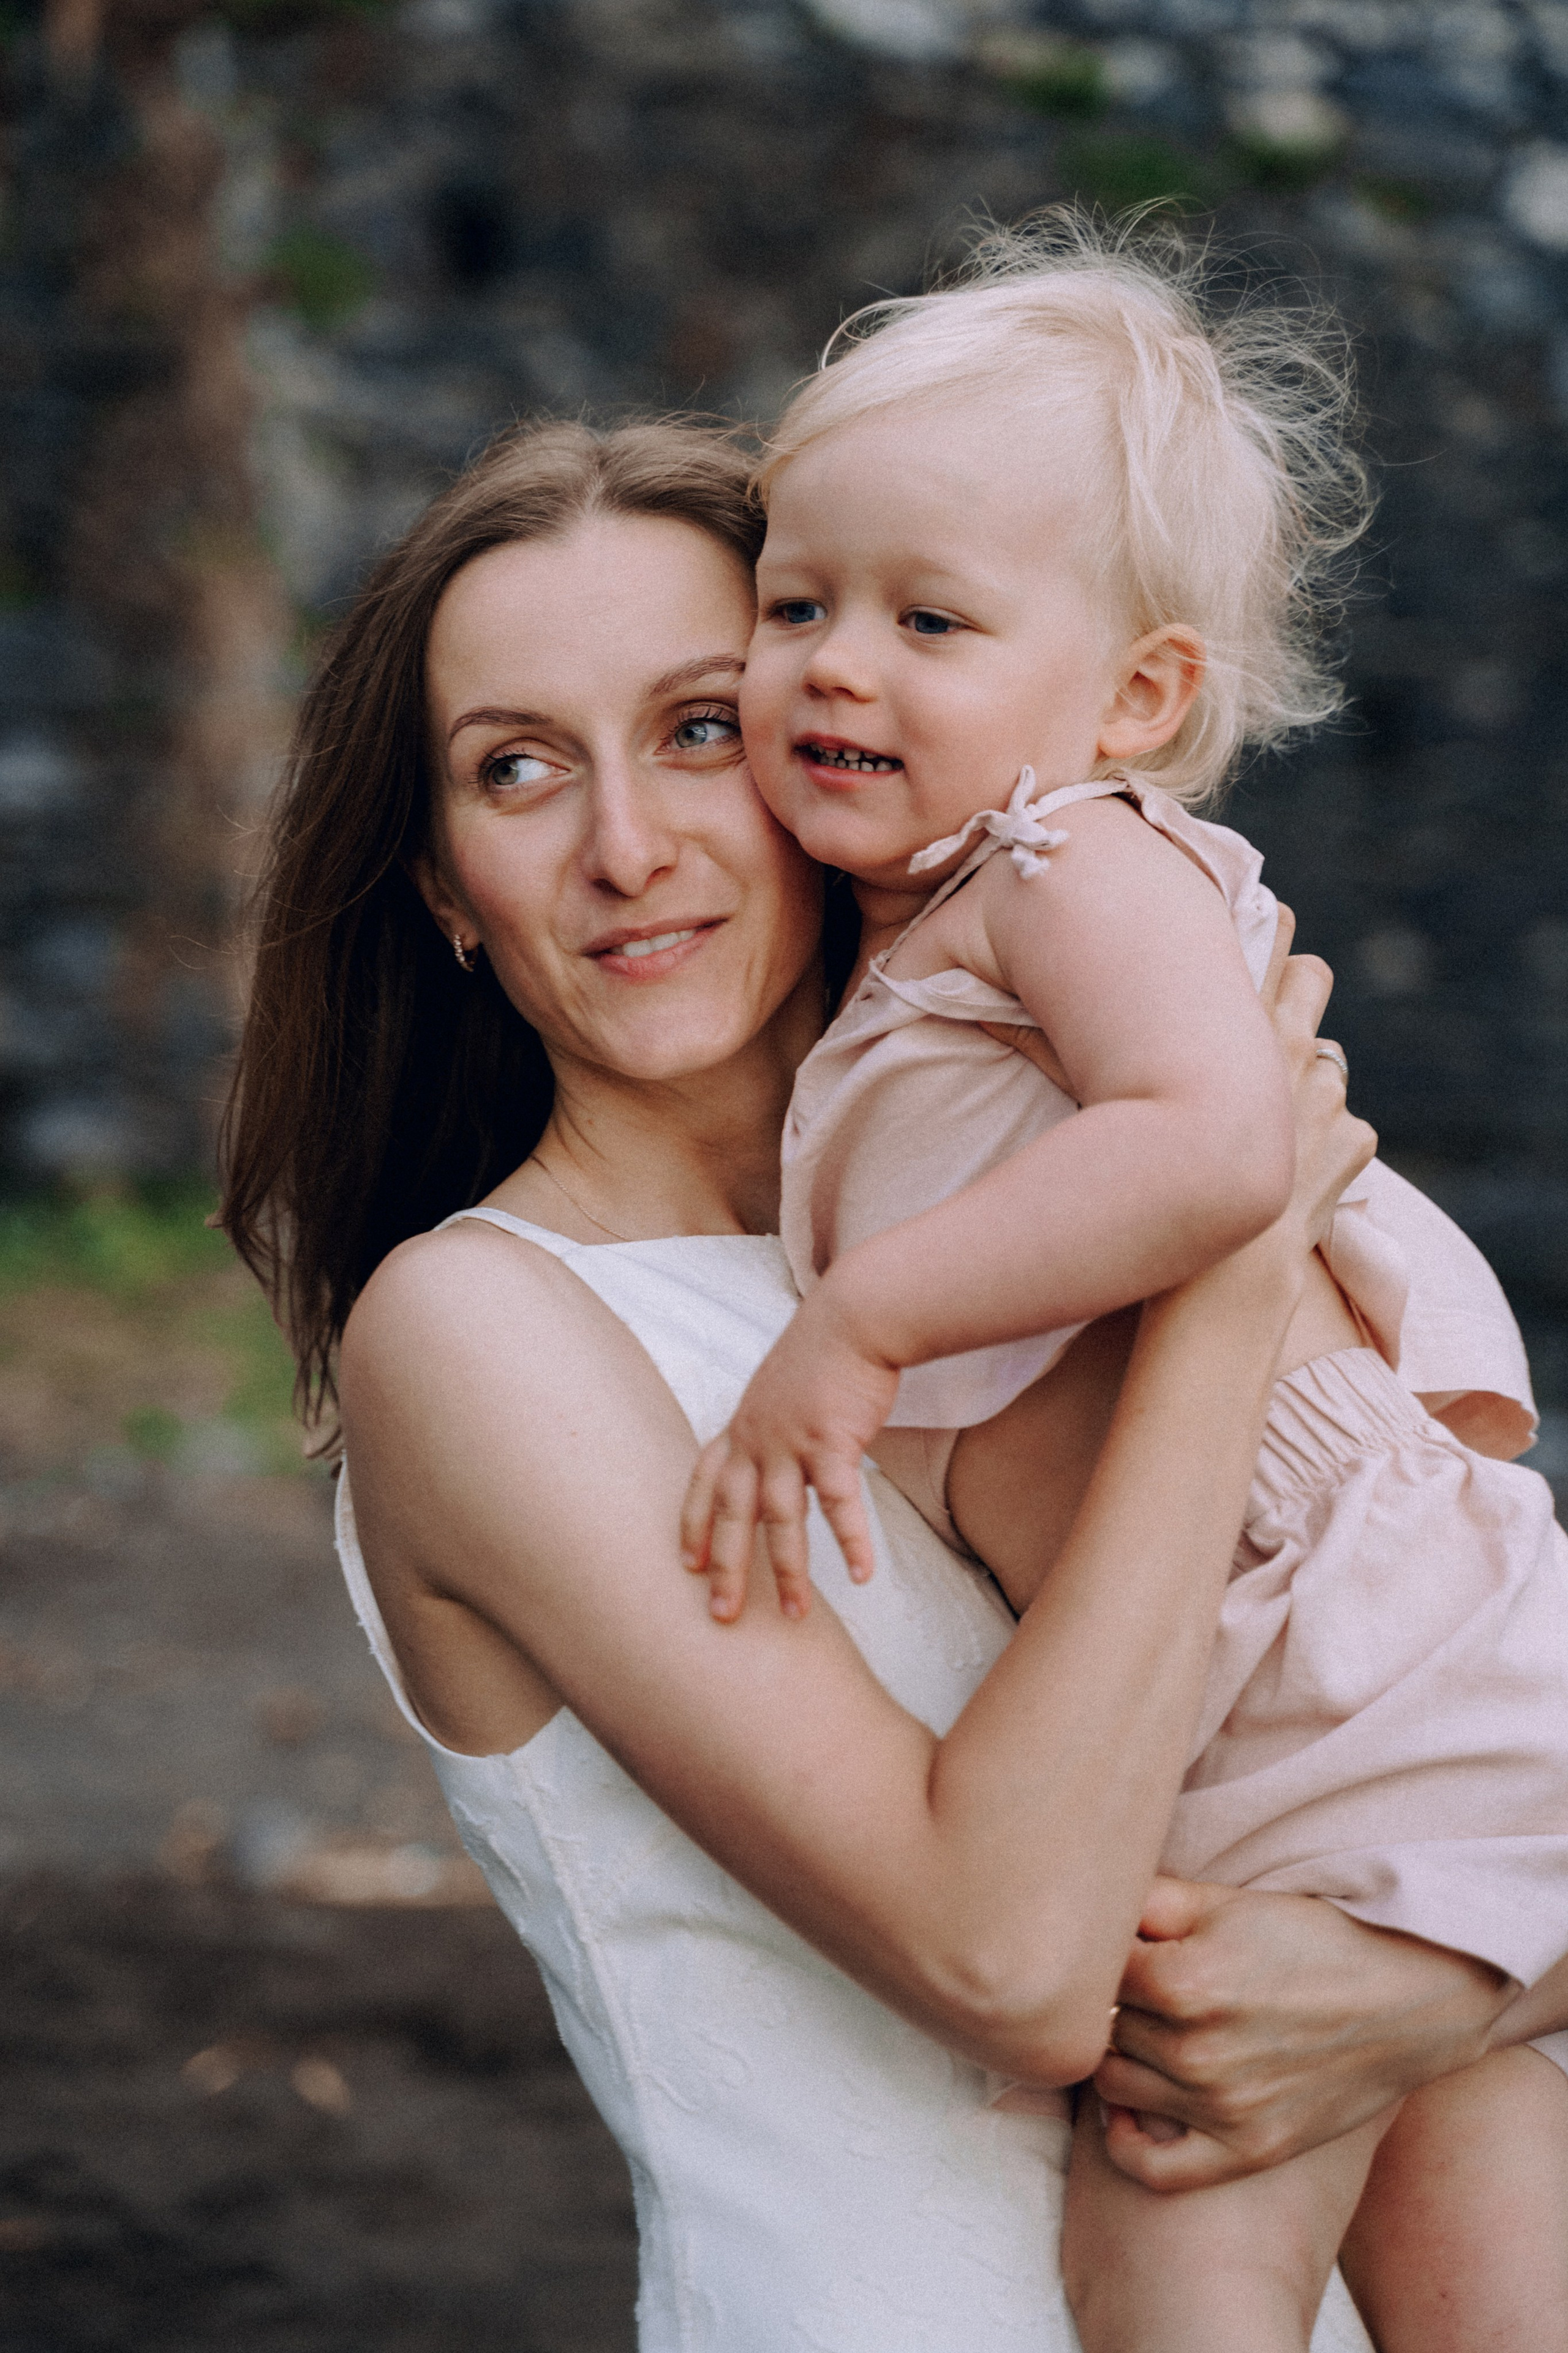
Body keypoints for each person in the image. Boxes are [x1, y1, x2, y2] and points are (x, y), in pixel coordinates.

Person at [219, 416, 1568, 2353]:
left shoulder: (1022, 1196)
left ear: (834, 742)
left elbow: (1463, 1738)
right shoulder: (480, 1332)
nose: (627, 845)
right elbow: (1009, 1958)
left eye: (698, 727)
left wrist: (1436, 1993)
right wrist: (1231, 1272)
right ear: (442, 878)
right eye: (517, 769)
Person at [674, 217, 1568, 2352]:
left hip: (1337, 1619)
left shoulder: (1085, 861)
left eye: (928, 616)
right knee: (1465, 2198)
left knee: (1171, 2234)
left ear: (1138, 697)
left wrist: (862, 1314)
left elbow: (1215, 1138)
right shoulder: (930, 930)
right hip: (1259, 1678)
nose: (835, 665)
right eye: (794, 604)